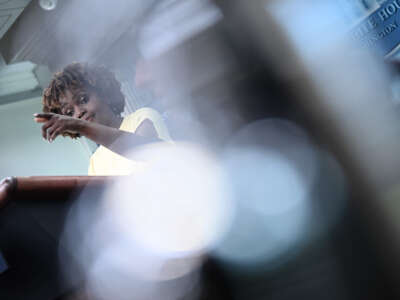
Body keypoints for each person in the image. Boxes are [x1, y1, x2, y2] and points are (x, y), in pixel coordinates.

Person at [34, 62, 171, 175]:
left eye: (83, 99)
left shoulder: (142, 118)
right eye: (69, 112)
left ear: (105, 93)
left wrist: (80, 125)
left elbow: (146, 154)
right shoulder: (95, 162)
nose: (78, 113)